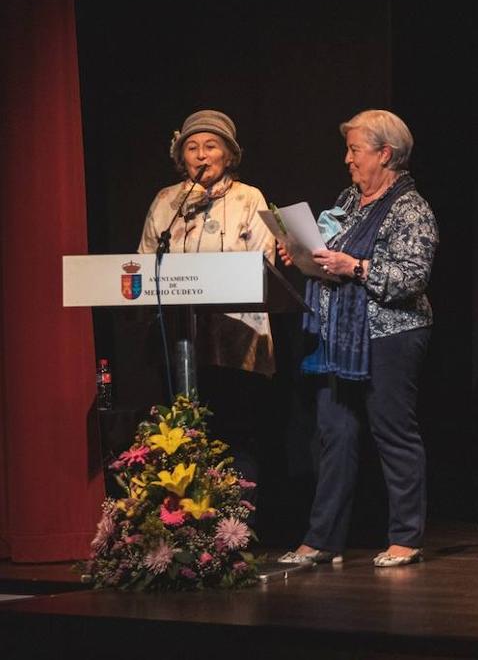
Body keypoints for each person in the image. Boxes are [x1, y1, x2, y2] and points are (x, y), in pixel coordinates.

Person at [280, 109, 438, 568]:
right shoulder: (349, 201)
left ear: (385, 154)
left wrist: (355, 267)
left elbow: (412, 278)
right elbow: (327, 254)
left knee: (392, 432)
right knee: (335, 434)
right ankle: (322, 538)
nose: (347, 159)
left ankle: (406, 537)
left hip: (391, 334)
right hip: (340, 336)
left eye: (355, 149)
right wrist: (301, 254)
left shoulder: (412, 209)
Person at [138, 109, 274, 485]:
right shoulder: (167, 201)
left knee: (235, 431)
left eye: (211, 146)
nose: (201, 155)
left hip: (236, 339)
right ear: (181, 157)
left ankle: (234, 527)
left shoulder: (250, 198)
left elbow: (263, 264)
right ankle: (185, 523)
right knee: (179, 432)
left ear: (228, 154)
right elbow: (145, 262)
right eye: (192, 147)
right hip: (179, 338)